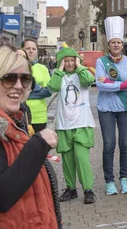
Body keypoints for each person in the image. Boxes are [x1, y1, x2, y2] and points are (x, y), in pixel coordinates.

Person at [0, 45, 61, 228]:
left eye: (25, 78)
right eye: (9, 78)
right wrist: (38, 146)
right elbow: (3, 196)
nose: (18, 86)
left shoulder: (15, 124)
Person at [48, 46, 97, 204]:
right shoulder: (59, 76)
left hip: (82, 124)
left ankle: (88, 189)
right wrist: (60, 69)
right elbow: (52, 87)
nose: (69, 63)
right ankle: (71, 188)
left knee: (81, 158)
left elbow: (89, 80)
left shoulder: (82, 74)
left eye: (72, 60)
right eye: (66, 60)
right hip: (63, 125)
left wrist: (79, 65)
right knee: (67, 160)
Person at [95, 16, 127, 196]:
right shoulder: (100, 62)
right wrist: (121, 84)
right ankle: (109, 181)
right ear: (109, 44)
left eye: (119, 42)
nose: (116, 45)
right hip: (106, 109)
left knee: (126, 144)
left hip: (125, 109)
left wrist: (111, 82)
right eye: (113, 42)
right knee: (109, 145)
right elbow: (100, 85)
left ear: (122, 44)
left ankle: (124, 178)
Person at [22, 38, 51, 133]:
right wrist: (38, 88)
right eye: (28, 48)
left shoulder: (42, 69)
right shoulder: (17, 67)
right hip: (21, 115)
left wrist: (25, 94)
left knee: (38, 146)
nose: (31, 51)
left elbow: (48, 91)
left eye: (34, 49)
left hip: (39, 117)